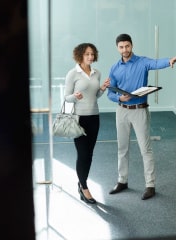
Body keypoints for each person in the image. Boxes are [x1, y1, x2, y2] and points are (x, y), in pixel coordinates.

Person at [107, 33, 176, 200]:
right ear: (117, 48)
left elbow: (156, 63)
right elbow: (110, 92)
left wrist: (169, 61)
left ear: (132, 45)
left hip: (139, 110)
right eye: (121, 47)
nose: (125, 49)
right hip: (122, 111)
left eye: (127, 46)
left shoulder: (142, 62)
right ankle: (122, 181)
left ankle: (150, 185)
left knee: (145, 149)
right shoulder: (114, 68)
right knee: (122, 148)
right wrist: (119, 98)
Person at [64, 43, 110, 203]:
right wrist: (74, 96)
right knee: (82, 154)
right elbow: (66, 97)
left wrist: (102, 89)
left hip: (94, 118)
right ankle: (84, 188)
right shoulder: (73, 74)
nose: (90, 57)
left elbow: (95, 95)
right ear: (80, 55)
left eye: (92, 54)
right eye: (87, 54)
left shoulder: (97, 73)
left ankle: (81, 182)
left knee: (89, 155)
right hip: (79, 119)